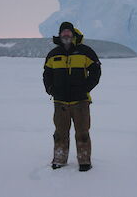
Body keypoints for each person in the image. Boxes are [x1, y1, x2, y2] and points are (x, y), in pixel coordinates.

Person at [43, 21, 101, 172]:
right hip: (60, 102)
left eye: (68, 32)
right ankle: (59, 160)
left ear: (73, 34)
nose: (66, 35)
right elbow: (47, 74)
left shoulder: (85, 51)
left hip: (80, 101)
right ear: (60, 35)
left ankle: (84, 161)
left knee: (82, 133)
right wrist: (50, 89)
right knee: (60, 133)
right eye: (64, 33)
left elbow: (96, 71)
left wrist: (85, 88)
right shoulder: (53, 54)